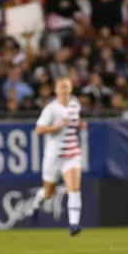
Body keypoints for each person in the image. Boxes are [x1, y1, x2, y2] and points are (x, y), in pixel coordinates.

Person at [31, 76, 86, 236]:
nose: (64, 90)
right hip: (54, 156)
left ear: (70, 89)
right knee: (49, 193)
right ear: (56, 90)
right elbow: (39, 130)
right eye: (61, 87)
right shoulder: (51, 109)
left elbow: (74, 123)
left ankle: (74, 224)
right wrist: (57, 127)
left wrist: (79, 124)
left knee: (74, 188)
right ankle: (37, 203)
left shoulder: (75, 104)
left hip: (72, 153)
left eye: (66, 87)